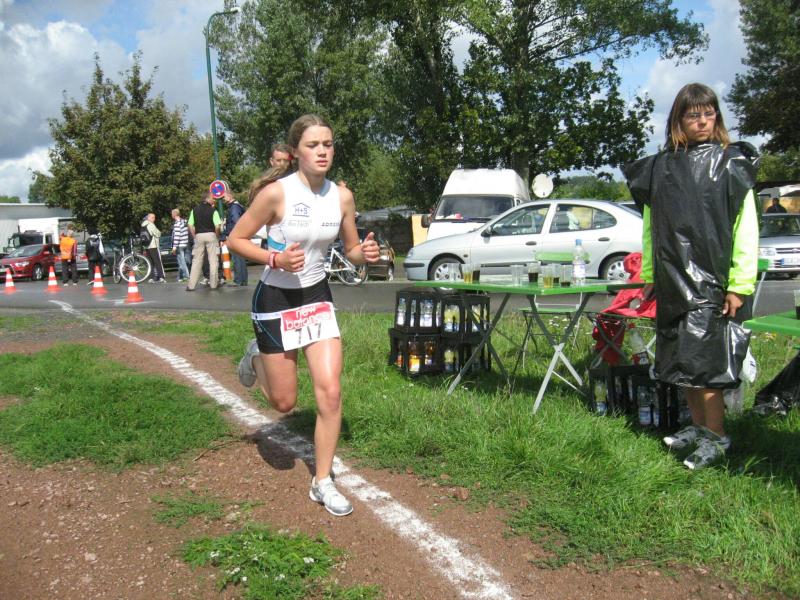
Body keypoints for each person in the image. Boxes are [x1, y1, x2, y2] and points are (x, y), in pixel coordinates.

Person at [226, 114, 379, 516]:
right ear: (296, 152)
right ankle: (255, 357)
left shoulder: (341, 197)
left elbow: (351, 250)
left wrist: (365, 253)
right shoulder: (276, 194)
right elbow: (235, 239)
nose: (323, 151)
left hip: (315, 296)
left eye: (328, 144)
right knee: (284, 402)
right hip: (275, 298)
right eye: (313, 145)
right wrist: (274, 258)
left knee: (330, 391)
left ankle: (322, 481)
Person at [624, 83, 759, 471]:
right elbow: (651, 226)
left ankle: (717, 437)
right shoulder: (660, 168)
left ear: (717, 116)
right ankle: (699, 428)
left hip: (713, 283)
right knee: (682, 362)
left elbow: (746, 230)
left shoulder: (731, 165)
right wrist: (650, 274)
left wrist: (739, 285)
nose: (702, 121)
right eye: (693, 114)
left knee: (706, 366)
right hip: (673, 279)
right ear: (678, 120)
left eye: (708, 113)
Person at [186, 191, 221, 291]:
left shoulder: (194, 210)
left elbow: (190, 224)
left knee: (196, 260)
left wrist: (194, 235)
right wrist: (217, 235)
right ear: (207, 199)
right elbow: (217, 226)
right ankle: (213, 284)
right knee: (213, 260)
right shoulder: (213, 210)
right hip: (211, 235)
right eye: (212, 198)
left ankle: (191, 285)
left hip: (199, 236)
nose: (214, 200)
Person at [222, 190, 248, 286]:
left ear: (229, 196)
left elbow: (235, 221)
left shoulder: (234, 208)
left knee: (237, 259)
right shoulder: (237, 206)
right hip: (240, 235)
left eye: (224, 196)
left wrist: (230, 234)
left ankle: (238, 280)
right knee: (240, 258)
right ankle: (243, 280)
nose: (223, 198)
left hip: (235, 235)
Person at [141, 213, 166, 283]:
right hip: (153, 245)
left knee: (150, 262)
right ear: (148, 218)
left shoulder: (143, 225)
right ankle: (161, 277)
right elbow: (157, 233)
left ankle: (151, 278)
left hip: (147, 246)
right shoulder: (150, 225)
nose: (154, 219)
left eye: (154, 217)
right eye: (152, 217)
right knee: (158, 262)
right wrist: (159, 232)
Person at [170, 208, 191, 282]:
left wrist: (174, 247)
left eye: (172, 214)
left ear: (174, 215)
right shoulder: (184, 222)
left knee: (182, 262)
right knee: (185, 261)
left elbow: (177, 236)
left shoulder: (177, 224)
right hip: (186, 243)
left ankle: (186, 276)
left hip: (180, 245)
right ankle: (180, 276)